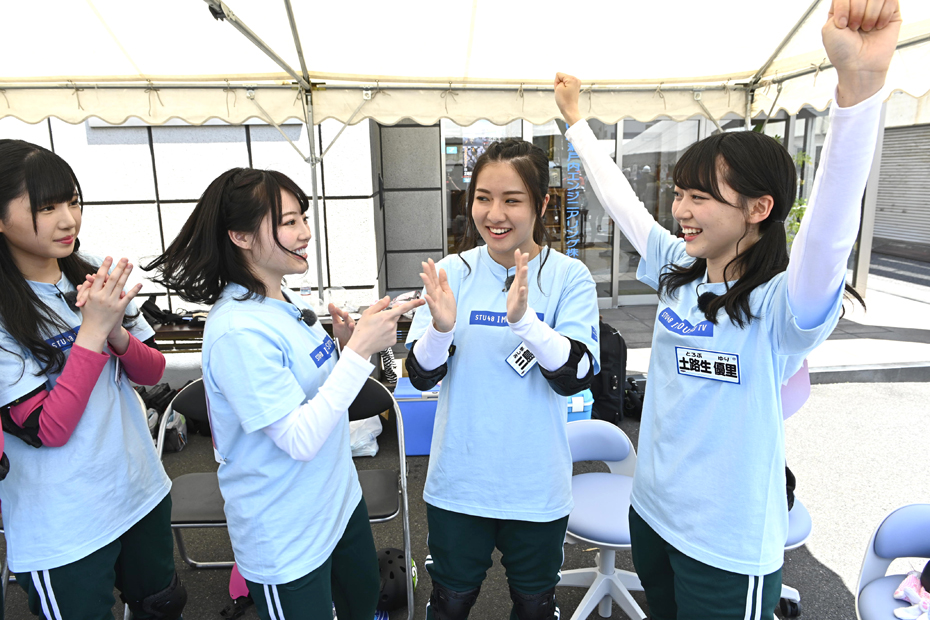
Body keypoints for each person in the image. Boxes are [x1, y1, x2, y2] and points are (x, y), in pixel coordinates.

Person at [553, 0, 900, 617]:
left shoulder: (780, 307)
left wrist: (858, 91)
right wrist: (576, 123)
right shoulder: (680, 273)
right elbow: (624, 204)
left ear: (758, 209)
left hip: (726, 546)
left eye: (700, 197)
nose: (681, 210)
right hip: (651, 514)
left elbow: (827, 237)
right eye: (679, 193)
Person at [145, 167, 423, 620]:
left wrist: (347, 348)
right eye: (289, 222)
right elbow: (298, 439)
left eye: (302, 218)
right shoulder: (237, 330)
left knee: (361, 603)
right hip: (287, 533)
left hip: (338, 501)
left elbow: (325, 397)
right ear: (240, 236)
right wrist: (356, 354)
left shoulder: (285, 298)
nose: (305, 233)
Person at [404, 139, 600, 619]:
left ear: (542, 204)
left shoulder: (569, 277)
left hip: (535, 483)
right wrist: (441, 330)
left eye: (512, 199)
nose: (495, 214)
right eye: (483, 198)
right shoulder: (451, 273)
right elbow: (420, 375)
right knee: (449, 602)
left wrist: (526, 323)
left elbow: (575, 376)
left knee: (534, 606)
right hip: (459, 481)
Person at [0, 139, 184, 619]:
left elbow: (152, 370)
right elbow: (49, 428)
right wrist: (92, 332)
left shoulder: (87, 272)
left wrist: (116, 333)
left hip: (138, 490)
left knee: (163, 605)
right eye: (46, 207)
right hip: (64, 523)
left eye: (72, 201)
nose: (68, 220)